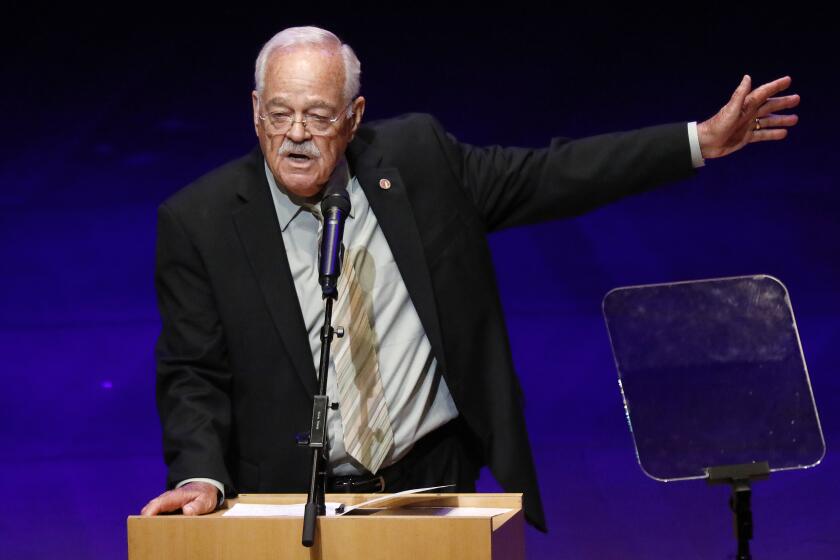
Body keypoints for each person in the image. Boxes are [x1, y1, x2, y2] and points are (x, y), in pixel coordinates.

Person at [140, 26, 799, 530]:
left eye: (317, 114)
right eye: (279, 114)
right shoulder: (199, 221)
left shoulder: (420, 161)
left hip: (430, 489)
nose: (296, 136)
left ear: (355, 115)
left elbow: (554, 176)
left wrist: (700, 141)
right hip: (289, 501)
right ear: (255, 111)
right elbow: (194, 371)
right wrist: (201, 474)